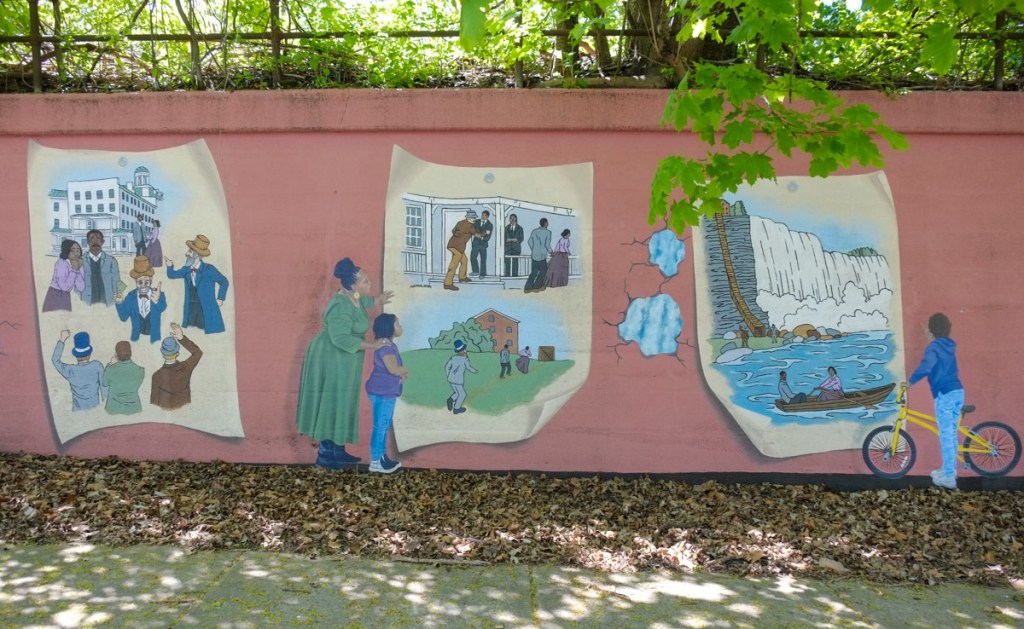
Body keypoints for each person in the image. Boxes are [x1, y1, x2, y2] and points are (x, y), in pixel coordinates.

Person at [296, 258, 391, 469]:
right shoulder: (340, 306)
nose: (369, 284)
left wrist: (378, 299)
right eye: (365, 281)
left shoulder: (353, 296)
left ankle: (337, 451)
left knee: (343, 401)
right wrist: (373, 345)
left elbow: (362, 302)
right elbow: (341, 339)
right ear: (353, 284)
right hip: (331, 357)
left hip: (345, 359)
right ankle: (325, 456)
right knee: (332, 402)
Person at [908, 312, 965, 490]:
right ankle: (948, 470)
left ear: (931, 330)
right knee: (951, 433)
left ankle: (948, 476)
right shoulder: (949, 345)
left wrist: (909, 382)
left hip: (945, 395)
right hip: (957, 392)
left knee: (946, 435)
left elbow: (926, 366)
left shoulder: (933, 347)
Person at [365, 313, 408, 474]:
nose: (400, 327)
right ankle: (375, 461)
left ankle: (381, 457)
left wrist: (400, 377)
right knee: (381, 427)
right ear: (390, 328)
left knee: (382, 425)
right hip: (383, 393)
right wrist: (405, 371)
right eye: (398, 324)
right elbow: (393, 369)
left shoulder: (388, 345)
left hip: (384, 391)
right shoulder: (386, 347)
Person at [165, 234, 230, 334]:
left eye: (190, 251)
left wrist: (220, 298)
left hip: (206, 311)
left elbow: (224, 281)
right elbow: (172, 275)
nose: (186, 253)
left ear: (197, 254)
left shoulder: (209, 269)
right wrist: (170, 266)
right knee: (193, 333)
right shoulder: (186, 269)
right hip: (191, 311)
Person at [151, 323, 203, 411]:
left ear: (163, 354)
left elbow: (154, 403)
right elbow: (198, 353)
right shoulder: (186, 367)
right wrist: (181, 338)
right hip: (186, 411)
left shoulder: (157, 375)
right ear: (177, 353)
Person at [115, 256, 167, 343]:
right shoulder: (130, 297)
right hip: (137, 338)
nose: (143, 285)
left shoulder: (158, 294)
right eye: (140, 282)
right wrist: (119, 303)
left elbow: (163, 307)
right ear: (135, 281)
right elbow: (123, 318)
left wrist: (157, 301)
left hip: (154, 338)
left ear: (151, 281)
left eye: (146, 282)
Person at [51, 330, 105, 411]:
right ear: (89, 354)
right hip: (95, 412)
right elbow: (105, 388)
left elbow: (55, 360)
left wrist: (62, 339)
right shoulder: (97, 366)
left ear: (75, 355)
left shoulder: (70, 370)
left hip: (77, 414)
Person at [42, 239, 85, 312]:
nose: (76, 253)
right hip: (55, 294)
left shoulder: (79, 264)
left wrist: (78, 270)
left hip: (66, 296)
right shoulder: (61, 263)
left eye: (78, 250)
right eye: (72, 250)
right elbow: (64, 287)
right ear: (67, 251)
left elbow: (81, 287)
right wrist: (74, 270)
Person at [80, 229, 121, 307]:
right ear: (88, 242)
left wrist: (118, 299)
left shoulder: (111, 261)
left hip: (107, 301)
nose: (95, 242)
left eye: (98, 239)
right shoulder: (81, 260)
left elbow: (117, 282)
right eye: (92, 239)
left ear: (102, 242)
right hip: (87, 302)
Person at [102, 341, 144, 415]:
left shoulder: (111, 369)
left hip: (113, 408)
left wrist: (110, 364)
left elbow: (104, 383)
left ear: (116, 354)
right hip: (134, 408)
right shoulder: (140, 370)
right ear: (130, 353)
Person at [443, 210, 477, 291]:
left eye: (474, 218)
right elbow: (475, 234)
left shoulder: (460, 223)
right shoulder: (470, 226)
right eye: (472, 218)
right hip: (456, 246)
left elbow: (453, 231)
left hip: (457, 246)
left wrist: (457, 234)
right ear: (468, 217)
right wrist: (483, 234)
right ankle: (448, 283)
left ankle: (462, 277)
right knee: (453, 264)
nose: (474, 219)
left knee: (464, 261)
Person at [445, 339, 477, 415]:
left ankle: (450, 399)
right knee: (462, 394)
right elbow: (468, 367)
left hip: (451, 379)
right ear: (463, 350)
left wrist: (448, 375)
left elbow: (447, 367)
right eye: (464, 349)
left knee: (457, 392)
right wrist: (475, 371)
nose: (466, 350)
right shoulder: (465, 359)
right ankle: (456, 409)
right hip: (458, 380)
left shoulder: (453, 357)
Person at [524, 218, 552, 293]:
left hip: (534, 255)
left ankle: (527, 287)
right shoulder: (548, 232)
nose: (548, 224)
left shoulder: (534, 231)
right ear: (545, 223)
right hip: (542, 255)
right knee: (543, 271)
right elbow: (547, 244)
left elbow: (529, 241)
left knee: (534, 272)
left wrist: (534, 249)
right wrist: (551, 252)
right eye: (547, 222)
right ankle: (537, 286)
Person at [470, 209, 493, 279]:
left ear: (488, 216)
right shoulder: (476, 222)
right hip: (476, 243)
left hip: (483, 244)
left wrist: (480, 237)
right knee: (473, 257)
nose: (483, 217)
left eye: (485, 216)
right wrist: (478, 234)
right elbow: (472, 230)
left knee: (483, 259)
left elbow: (488, 236)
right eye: (482, 215)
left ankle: (482, 274)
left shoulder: (490, 225)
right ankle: (475, 271)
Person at [504, 213, 524, 278]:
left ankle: (515, 275)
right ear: (509, 219)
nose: (512, 219)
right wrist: (507, 240)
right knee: (507, 263)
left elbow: (522, 238)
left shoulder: (520, 228)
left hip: (516, 248)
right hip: (507, 248)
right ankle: (507, 275)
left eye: (513, 218)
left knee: (515, 263)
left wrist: (517, 240)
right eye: (511, 218)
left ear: (516, 219)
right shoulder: (506, 228)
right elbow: (503, 238)